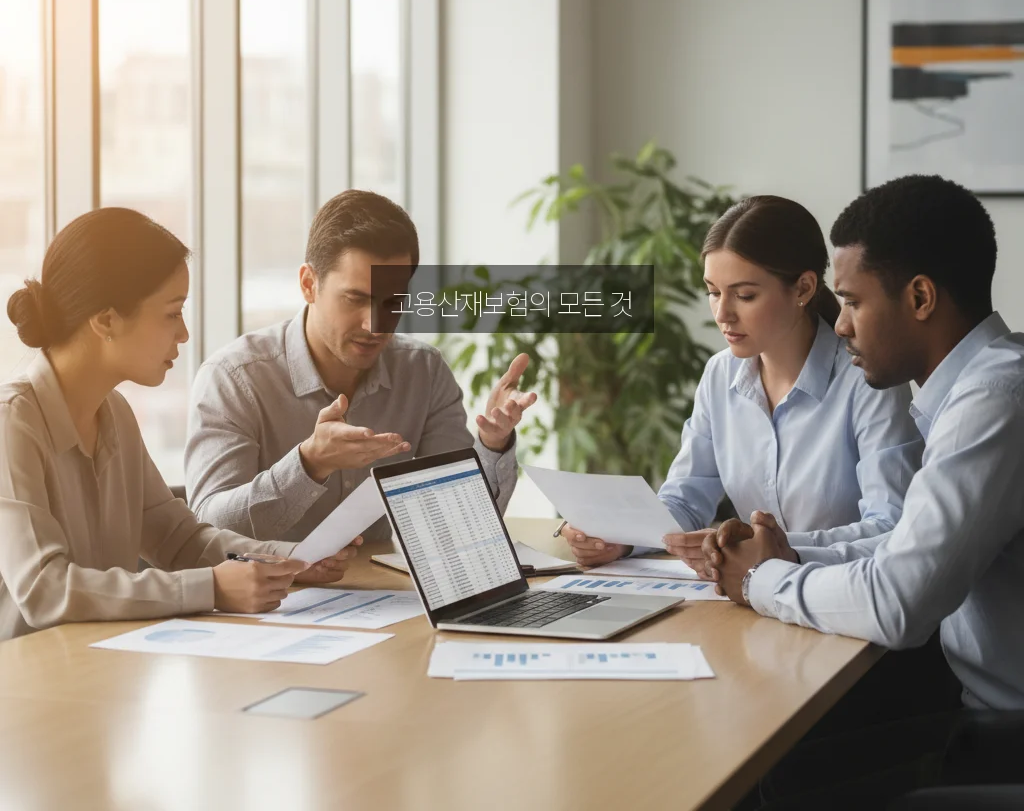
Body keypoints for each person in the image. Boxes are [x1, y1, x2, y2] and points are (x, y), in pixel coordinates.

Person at [703, 175, 1024, 805]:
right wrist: (788, 558)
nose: (840, 325)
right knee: (771, 760)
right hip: (972, 704)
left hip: (1003, 730)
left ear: (921, 297)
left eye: (852, 301)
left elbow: (897, 604)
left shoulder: (994, 402)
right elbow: (904, 542)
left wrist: (759, 581)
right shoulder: (972, 391)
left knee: (772, 778)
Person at [0, 208, 356, 643]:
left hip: (98, 671)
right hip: (27, 690)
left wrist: (291, 559)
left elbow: (178, 540)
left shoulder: (114, 413)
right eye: (172, 313)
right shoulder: (11, 423)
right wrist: (210, 588)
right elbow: (43, 589)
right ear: (106, 320)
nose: (184, 334)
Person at [560, 195, 922, 573]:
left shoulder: (868, 380)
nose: (722, 314)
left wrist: (770, 549)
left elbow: (890, 526)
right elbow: (685, 499)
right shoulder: (720, 375)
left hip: (843, 600)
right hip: (751, 600)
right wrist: (622, 538)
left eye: (744, 295)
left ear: (802, 288)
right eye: (713, 292)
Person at [185, 189, 536, 542]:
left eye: (393, 301)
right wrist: (309, 464)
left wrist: (492, 445)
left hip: (387, 593)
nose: (376, 324)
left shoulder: (423, 372)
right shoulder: (233, 378)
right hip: (277, 595)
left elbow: (459, 528)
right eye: (356, 299)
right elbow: (207, 531)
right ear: (309, 284)